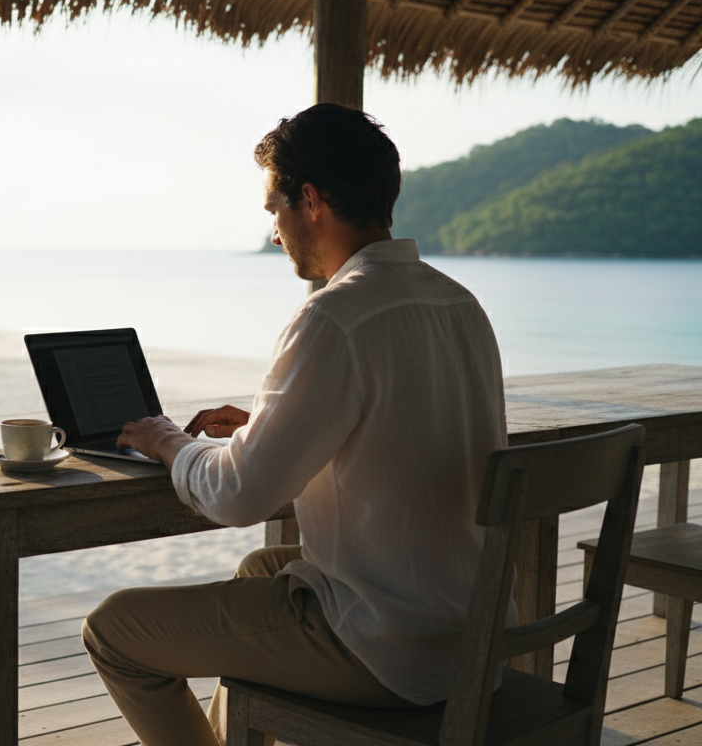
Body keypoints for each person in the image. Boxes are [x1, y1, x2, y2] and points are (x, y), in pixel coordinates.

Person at [82, 103, 509, 746]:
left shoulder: (333, 318)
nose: (276, 232)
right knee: (263, 569)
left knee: (114, 630)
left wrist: (167, 441)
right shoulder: (459, 304)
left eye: (274, 210)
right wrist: (272, 426)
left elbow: (240, 496)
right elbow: (400, 426)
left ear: (309, 200)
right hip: (471, 634)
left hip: (390, 651)